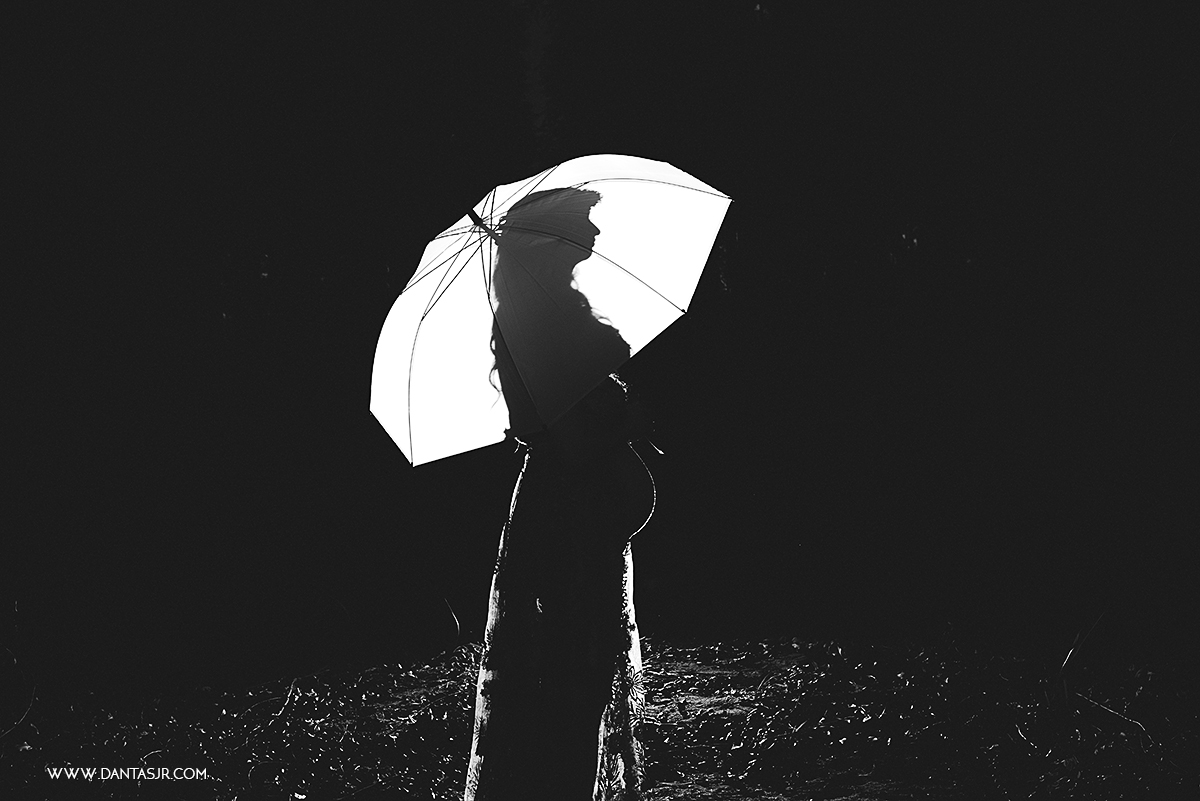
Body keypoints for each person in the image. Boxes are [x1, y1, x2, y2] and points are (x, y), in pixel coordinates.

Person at [464, 189, 654, 800]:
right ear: (552, 241)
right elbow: (553, 427)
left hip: (573, 503)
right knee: (571, 662)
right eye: (583, 222)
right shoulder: (535, 317)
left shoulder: (550, 306)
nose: (595, 230)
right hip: (571, 510)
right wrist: (610, 418)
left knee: (580, 665)